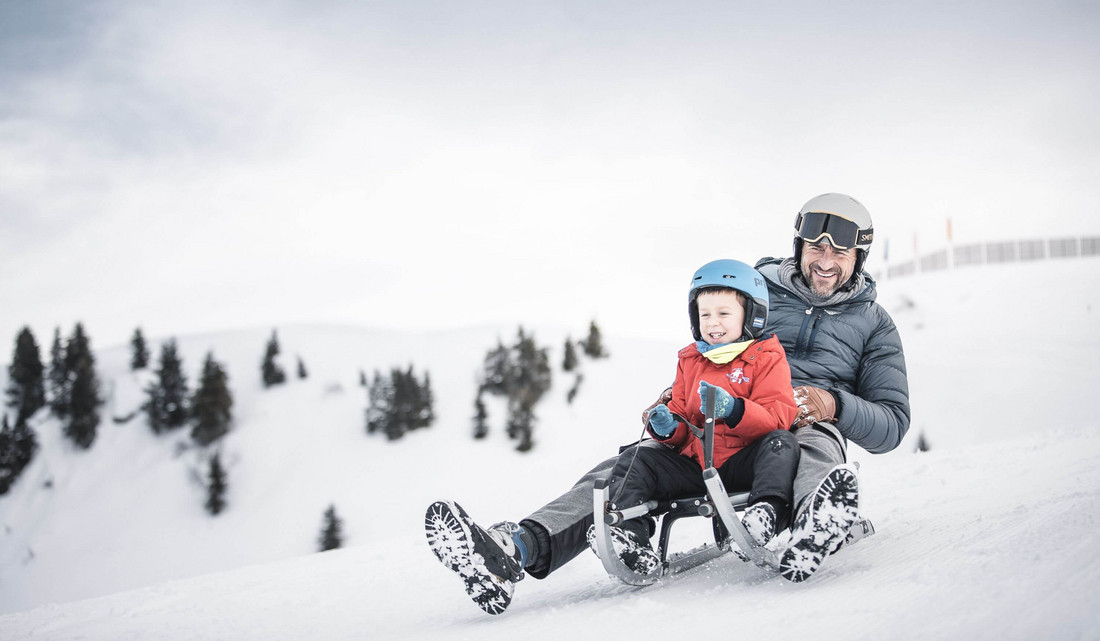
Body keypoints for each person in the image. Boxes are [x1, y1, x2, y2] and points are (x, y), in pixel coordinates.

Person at [424, 193, 910, 614]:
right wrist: (676, 404)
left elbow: (891, 423)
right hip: (720, 414)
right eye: (816, 246)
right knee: (630, 463)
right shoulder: (751, 290)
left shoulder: (874, 324)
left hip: (794, 422)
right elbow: (706, 348)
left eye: (841, 251)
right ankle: (516, 547)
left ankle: (814, 526)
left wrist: (834, 404)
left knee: (812, 444)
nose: (826, 259)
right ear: (799, 246)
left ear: (859, 258)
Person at [587, 259, 800, 576]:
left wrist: (735, 409)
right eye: (705, 314)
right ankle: (629, 534)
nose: (713, 322)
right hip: (698, 467)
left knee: (782, 444)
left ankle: (765, 515)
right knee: (638, 458)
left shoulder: (766, 355)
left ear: (752, 315)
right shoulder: (690, 359)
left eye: (724, 313)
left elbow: (777, 416)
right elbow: (683, 423)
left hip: (746, 462)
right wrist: (668, 426)